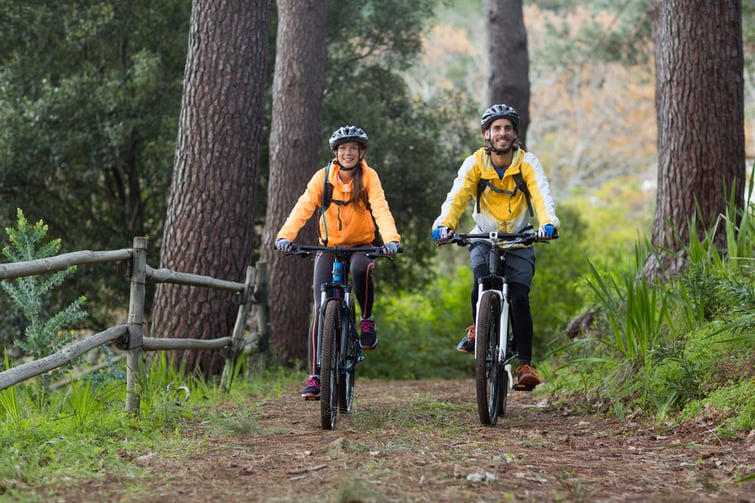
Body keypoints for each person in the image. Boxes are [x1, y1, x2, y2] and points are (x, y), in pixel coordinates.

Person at [431, 104, 559, 389]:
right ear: (487, 134)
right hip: (484, 238)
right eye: (496, 128)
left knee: (519, 296)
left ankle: (525, 363)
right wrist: (444, 224)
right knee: (480, 281)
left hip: (520, 239)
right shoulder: (475, 162)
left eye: (507, 129)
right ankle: (478, 327)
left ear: (515, 134)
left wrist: (548, 222)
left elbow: (541, 195)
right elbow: (458, 195)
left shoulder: (527, 163)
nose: (502, 133)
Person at [275, 125, 401, 400]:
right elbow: (303, 206)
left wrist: (391, 239)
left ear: (361, 152)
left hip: (362, 245)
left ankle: (366, 320)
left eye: (353, 148)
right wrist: (285, 235)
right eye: (343, 148)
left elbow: (380, 208)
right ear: (335, 152)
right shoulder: (323, 178)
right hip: (329, 246)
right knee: (321, 308)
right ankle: (317, 377)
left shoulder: (369, 177)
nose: (348, 153)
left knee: (360, 268)